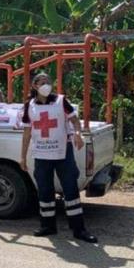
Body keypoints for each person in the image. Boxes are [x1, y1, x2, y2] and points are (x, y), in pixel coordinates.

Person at [19, 73, 97, 243]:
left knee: (71, 190)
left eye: (49, 81)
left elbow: (75, 121)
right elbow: (26, 133)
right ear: (34, 86)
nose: (46, 85)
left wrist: (77, 134)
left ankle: (79, 229)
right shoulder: (29, 106)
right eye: (42, 82)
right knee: (44, 191)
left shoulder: (61, 101)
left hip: (63, 153)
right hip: (41, 155)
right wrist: (23, 157)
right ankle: (47, 226)